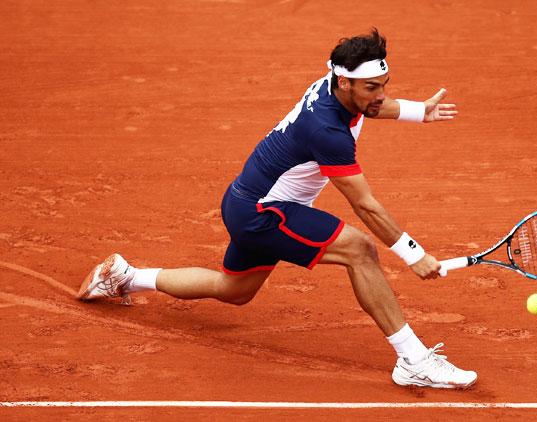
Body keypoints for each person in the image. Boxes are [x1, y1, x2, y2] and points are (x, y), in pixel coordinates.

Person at [78, 28, 477, 389]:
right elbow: (364, 205)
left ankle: (126, 276)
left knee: (233, 290)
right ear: (345, 82)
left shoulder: (332, 87)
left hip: (244, 201)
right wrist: (413, 254)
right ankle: (413, 360)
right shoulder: (326, 130)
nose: (381, 95)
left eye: (384, 86)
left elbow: (368, 107)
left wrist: (414, 111)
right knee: (360, 250)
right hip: (264, 212)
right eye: (372, 87)